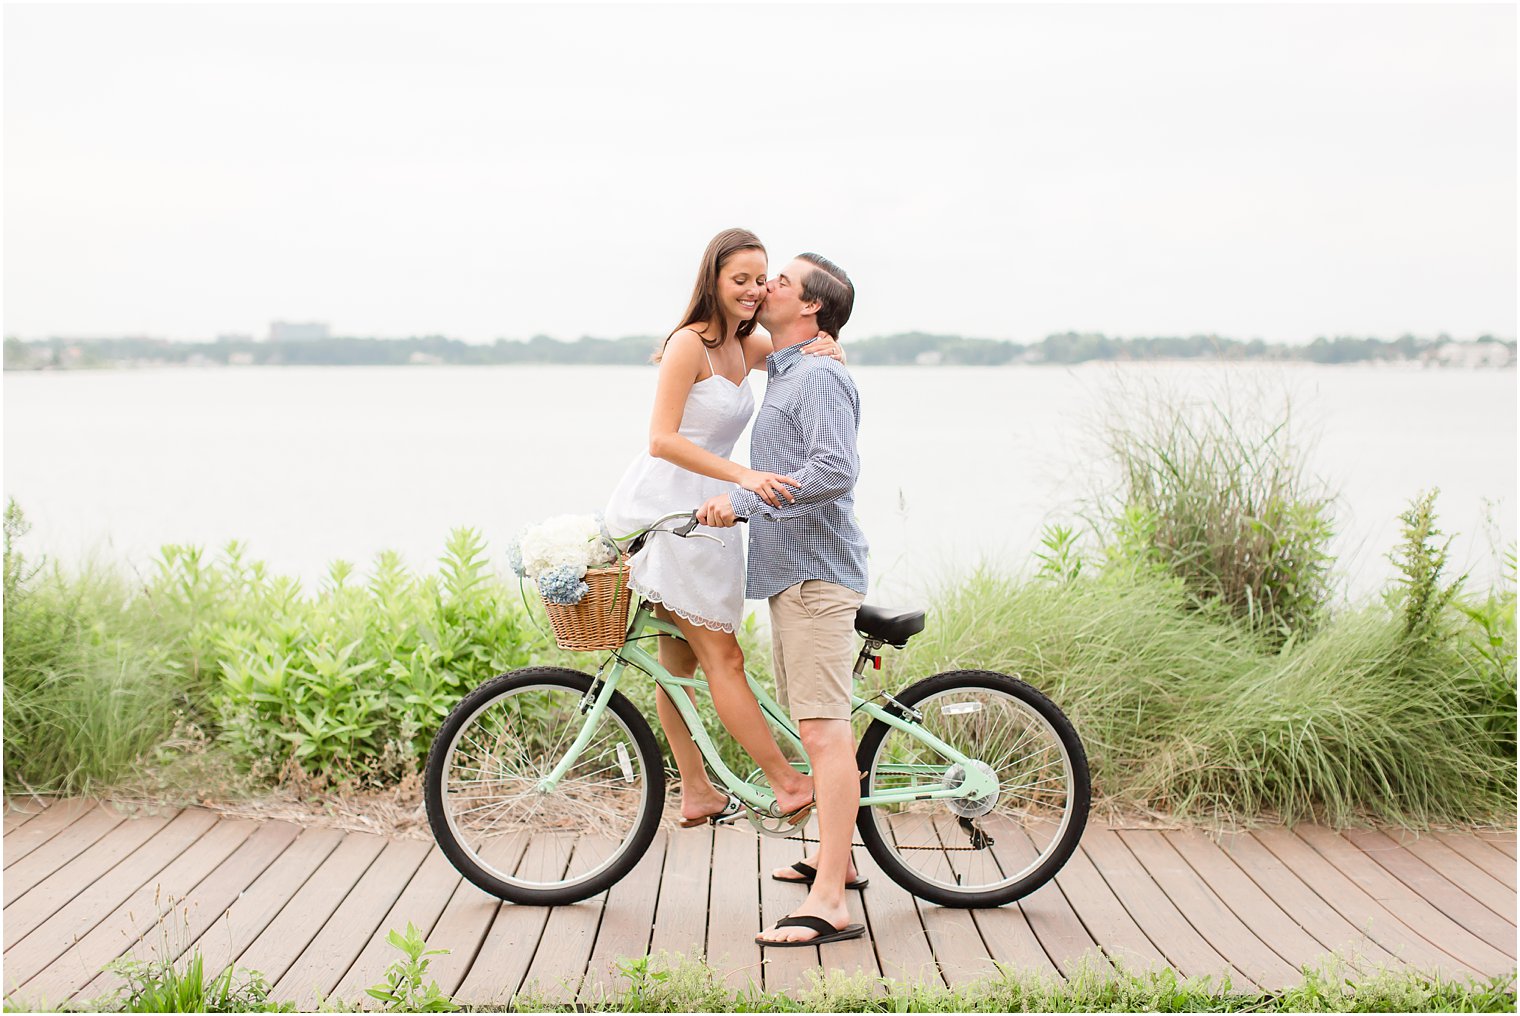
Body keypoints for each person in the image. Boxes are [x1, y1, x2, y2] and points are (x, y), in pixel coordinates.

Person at [603, 228, 845, 831]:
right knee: (723, 659)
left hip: (716, 510)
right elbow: (661, 439)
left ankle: (696, 792)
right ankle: (785, 782)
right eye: (740, 279)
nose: (753, 290)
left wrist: (832, 349)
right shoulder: (691, 344)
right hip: (674, 509)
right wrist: (742, 474)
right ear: (712, 279)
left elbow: (799, 357)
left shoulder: (749, 343)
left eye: (761, 279)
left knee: (676, 664)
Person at [698, 252, 869, 947]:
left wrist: (741, 499)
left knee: (826, 733)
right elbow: (724, 336)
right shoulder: (794, 366)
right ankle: (839, 860)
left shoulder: (820, 375)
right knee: (815, 724)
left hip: (818, 576)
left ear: (811, 309)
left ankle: (830, 901)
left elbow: (835, 470)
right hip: (792, 570)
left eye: (781, 281)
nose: (766, 286)